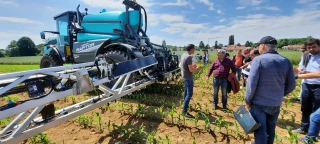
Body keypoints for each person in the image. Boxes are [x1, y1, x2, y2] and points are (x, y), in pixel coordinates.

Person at [245, 36, 296, 144]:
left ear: (262, 46)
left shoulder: (258, 60)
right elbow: (291, 85)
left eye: (259, 46)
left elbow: (251, 84)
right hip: (276, 103)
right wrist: (280, 94)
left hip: (259, 103)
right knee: (270, 129)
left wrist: (248, 100)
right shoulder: (285, 61)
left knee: (260, 131)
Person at [292, 38, 320, 134]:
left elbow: (319, 74)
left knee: (316, 108)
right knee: (305, 107)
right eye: (309, 47)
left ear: (319, 46)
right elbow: (301, 67)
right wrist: (294, 70)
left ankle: (314, 131)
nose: (311, 49)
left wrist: (299, 76)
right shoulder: (306, 55)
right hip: (306, 85)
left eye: (314, 47)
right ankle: (304, 127)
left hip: (318, 86)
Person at [294, 71, 320, 143]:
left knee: (315, 116)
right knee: (311, 113)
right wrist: (308, 72)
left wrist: (297, 76)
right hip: (307, 84)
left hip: (318, 86)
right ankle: (307, 133)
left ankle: (310, 139)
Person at [180, 44, 201, 118]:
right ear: (191, 49)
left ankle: (185, 105)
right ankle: (184, 111)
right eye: (194, 49)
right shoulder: (189, 57)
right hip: (188, 77)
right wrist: (197, 68)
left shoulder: (184, 55)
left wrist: (193, 65)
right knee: (189, 94)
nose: (194, 50)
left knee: (186, 93)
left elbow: (184, 65)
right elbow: (191, 69)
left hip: (184, 76)